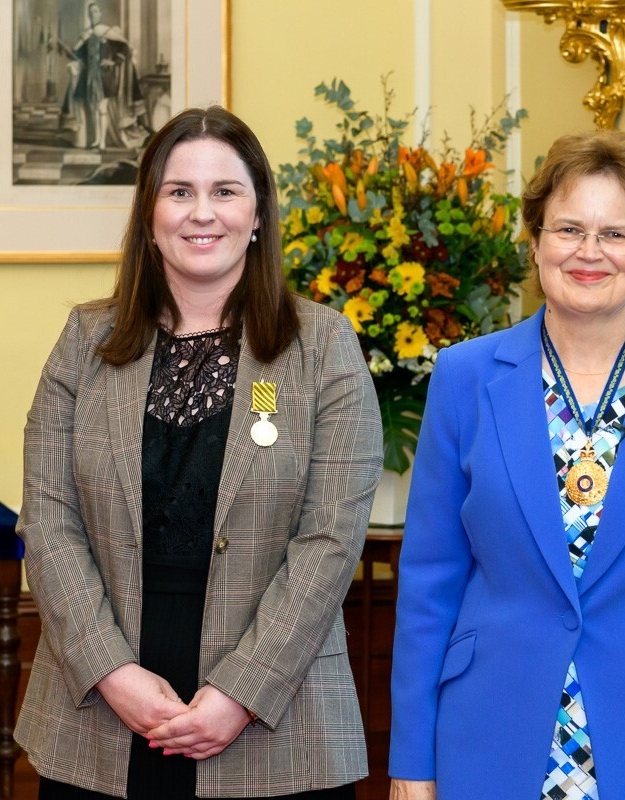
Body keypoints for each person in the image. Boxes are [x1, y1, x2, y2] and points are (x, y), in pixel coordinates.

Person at [388, 130, 625, 800]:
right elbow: (429, 587)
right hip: (489, 740)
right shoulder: (465, 378)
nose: (589, 252)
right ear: (536, 241)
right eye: (568, 228)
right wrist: (411, 765)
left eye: (615, 234)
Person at [15, 105, 382, 800]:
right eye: (179, 191)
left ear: (259, 215)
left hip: (278, 727)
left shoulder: (325, 348)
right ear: (149, 215)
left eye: (225, 191)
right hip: (100, 715)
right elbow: (49, 517)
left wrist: (240, 693)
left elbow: (331, 540)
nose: (200, 213)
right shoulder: (84, 342)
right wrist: (112, 673)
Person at [61, 1, 148, 151]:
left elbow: (125, 47)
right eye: (90, 13)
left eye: (95, 12)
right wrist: (75, 43)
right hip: (90, 79)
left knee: (102, 109)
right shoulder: (87, 35)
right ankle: (96, 140)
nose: (93, 15)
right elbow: (76, 55)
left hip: (105, 78)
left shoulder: (107, 32)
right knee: (95, 109)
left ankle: (102, 142)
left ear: (100, 14)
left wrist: (113, 61)